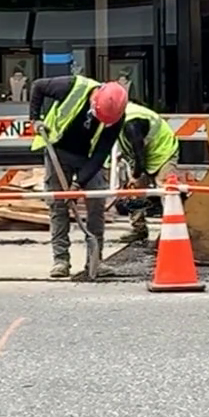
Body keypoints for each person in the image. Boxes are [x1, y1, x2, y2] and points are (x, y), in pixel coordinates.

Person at [29, 75, 129, 279]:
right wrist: (35, 119)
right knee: (58, 204)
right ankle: (61, 260)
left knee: (96, 203)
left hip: (88, 158)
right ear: (95, 98)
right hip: (57, 149)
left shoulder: (116, 116)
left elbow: (101, 153)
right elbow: (37, 86)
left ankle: (94, 260)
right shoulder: (71, 86)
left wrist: (78, 184)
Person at [117, 100, 180, 244]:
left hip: (163, 151)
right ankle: (139, 229)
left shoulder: (131, 123)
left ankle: (170, 231)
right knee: (135, 191)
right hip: (145, 151)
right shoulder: (117, 117)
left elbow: (140, 155)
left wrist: (135, 176)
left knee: (166, 190)